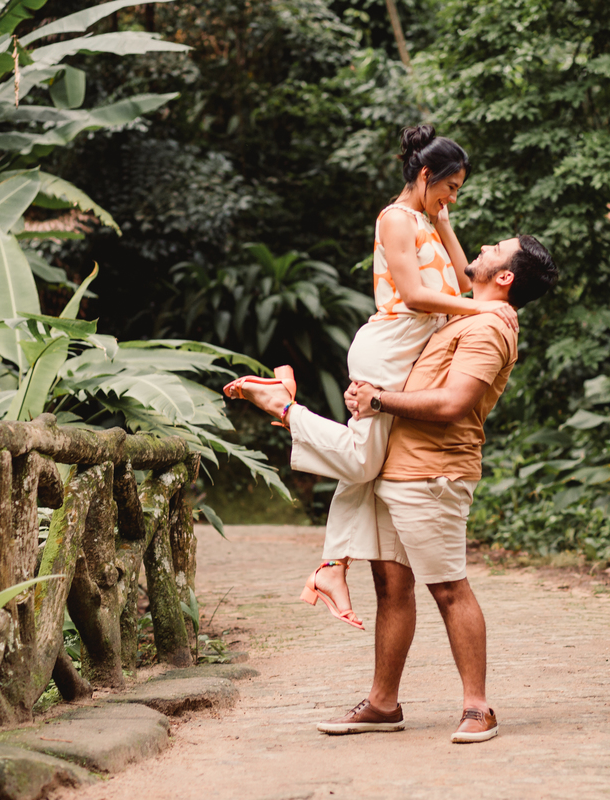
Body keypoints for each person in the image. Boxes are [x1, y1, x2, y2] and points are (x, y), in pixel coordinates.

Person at [234, 233, 558, 743]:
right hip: (399, 466)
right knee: (391, 586)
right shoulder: (468, 312)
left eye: (497, 248)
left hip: (434, 472)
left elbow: (453, 403)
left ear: (506, 276)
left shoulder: (489, 328)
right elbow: (451, 271)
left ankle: (479, 708)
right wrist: (440, 219)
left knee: (448, 587)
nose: (483, 247)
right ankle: (383, 703)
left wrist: (379, 400)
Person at [224, 125, 518, 629]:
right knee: (363, 460)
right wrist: (480, 310)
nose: (453, 197)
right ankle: (283, 407)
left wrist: (445, 221)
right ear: (426, 175)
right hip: (392, 345)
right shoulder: (395, 219)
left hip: (413, 350)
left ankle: (332, 567)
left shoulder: (427, 219)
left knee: (374, 463)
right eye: (450, 187)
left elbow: (465, 278)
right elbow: (415, 296)